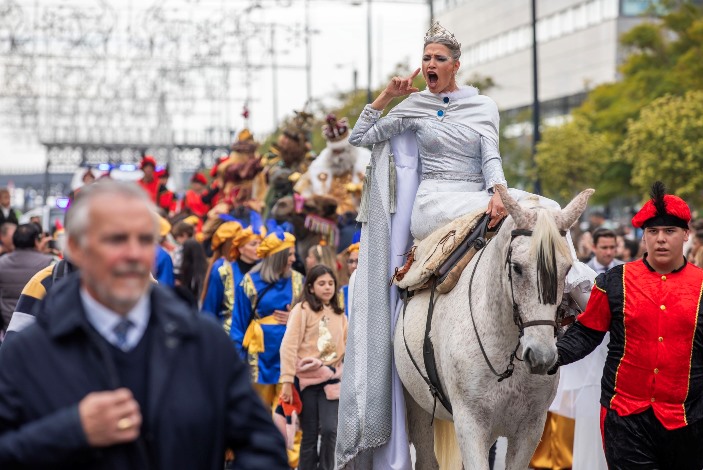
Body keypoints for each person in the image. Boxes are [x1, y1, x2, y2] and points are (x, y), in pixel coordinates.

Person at [336, 21, 594, 469]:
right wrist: (387, 97)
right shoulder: (413, 105)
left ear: (456, 65)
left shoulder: (483, 106)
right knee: (520, 212)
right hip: (435, 201)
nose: (429, 65)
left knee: (547, 206)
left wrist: (498, 190)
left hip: (478, 193)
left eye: (438, 59)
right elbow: (360, 137)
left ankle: (572, 293)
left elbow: (490, 153)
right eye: (425, 59)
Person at [0, 180, 288, 469]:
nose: (134, 254)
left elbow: (263, 447)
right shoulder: (27, 354)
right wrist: (72, 431)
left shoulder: (203, 343)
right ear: (75, 247)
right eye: (116, 239)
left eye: (145, 239)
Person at [550, 181, 703, 469]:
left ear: (685, 234)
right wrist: (553, 355)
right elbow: (587, 332)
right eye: (653, 231)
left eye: (669, 231)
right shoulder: (614, 282)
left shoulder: (702, 285)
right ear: (643, 236)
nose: (660, 239)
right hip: (625, 419)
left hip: (689, 419)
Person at [229, 228, 303, 468]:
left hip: (288, 356)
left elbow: (309, 315)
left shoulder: (298, 280)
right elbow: (238, 324)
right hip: (258, 358)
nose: (294, 258)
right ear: (278, 257)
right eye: (289, 254)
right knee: (258, 413)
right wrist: (235, 361)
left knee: (288, 411)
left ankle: (290, 462)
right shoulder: (249, 282)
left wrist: (294, 315)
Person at [279, 265, 348, 470]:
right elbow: (289, 345)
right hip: (308, 381)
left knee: (330, 430)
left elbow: (346, 346)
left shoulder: (340, 315)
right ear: (310, 288)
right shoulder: (302, 310)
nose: (327, 288)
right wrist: (287, 380)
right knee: (309, 433)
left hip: (332, 381)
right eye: (321, 283)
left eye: (330, 283)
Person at [294, 114, 370, 214]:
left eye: (342, 151)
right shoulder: (318, 165)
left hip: (358, 218)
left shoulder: (367, 159)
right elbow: (303, 192)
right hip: (328, 218)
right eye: (335, 152)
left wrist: (359, 189)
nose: (338, 157)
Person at [201, 222, 264, 334]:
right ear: (240, 248)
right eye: (253, 244)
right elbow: (210, 306)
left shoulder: (265, 271)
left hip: (257, 336)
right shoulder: (223, 270)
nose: (258, 248)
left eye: (260, 244)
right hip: (227, 333)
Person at [0, 223, 54, 335]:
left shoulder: (2, 262)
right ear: (36, 241)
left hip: (7, 327)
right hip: (37, 330)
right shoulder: (50, 264)